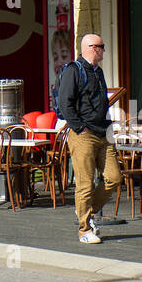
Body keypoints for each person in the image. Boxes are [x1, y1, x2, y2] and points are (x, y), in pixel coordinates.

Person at [58, 33, 120, 245]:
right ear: (91, 48)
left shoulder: (98, 72)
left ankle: (85, 209)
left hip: (103, 132)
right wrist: (79, 128)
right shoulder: (73, 71)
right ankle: (84, 229)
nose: (104, 49)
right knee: (85, 184)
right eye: (101, 46)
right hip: (83, 135)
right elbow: (66, 103)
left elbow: (102, 102)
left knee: (114, 177)